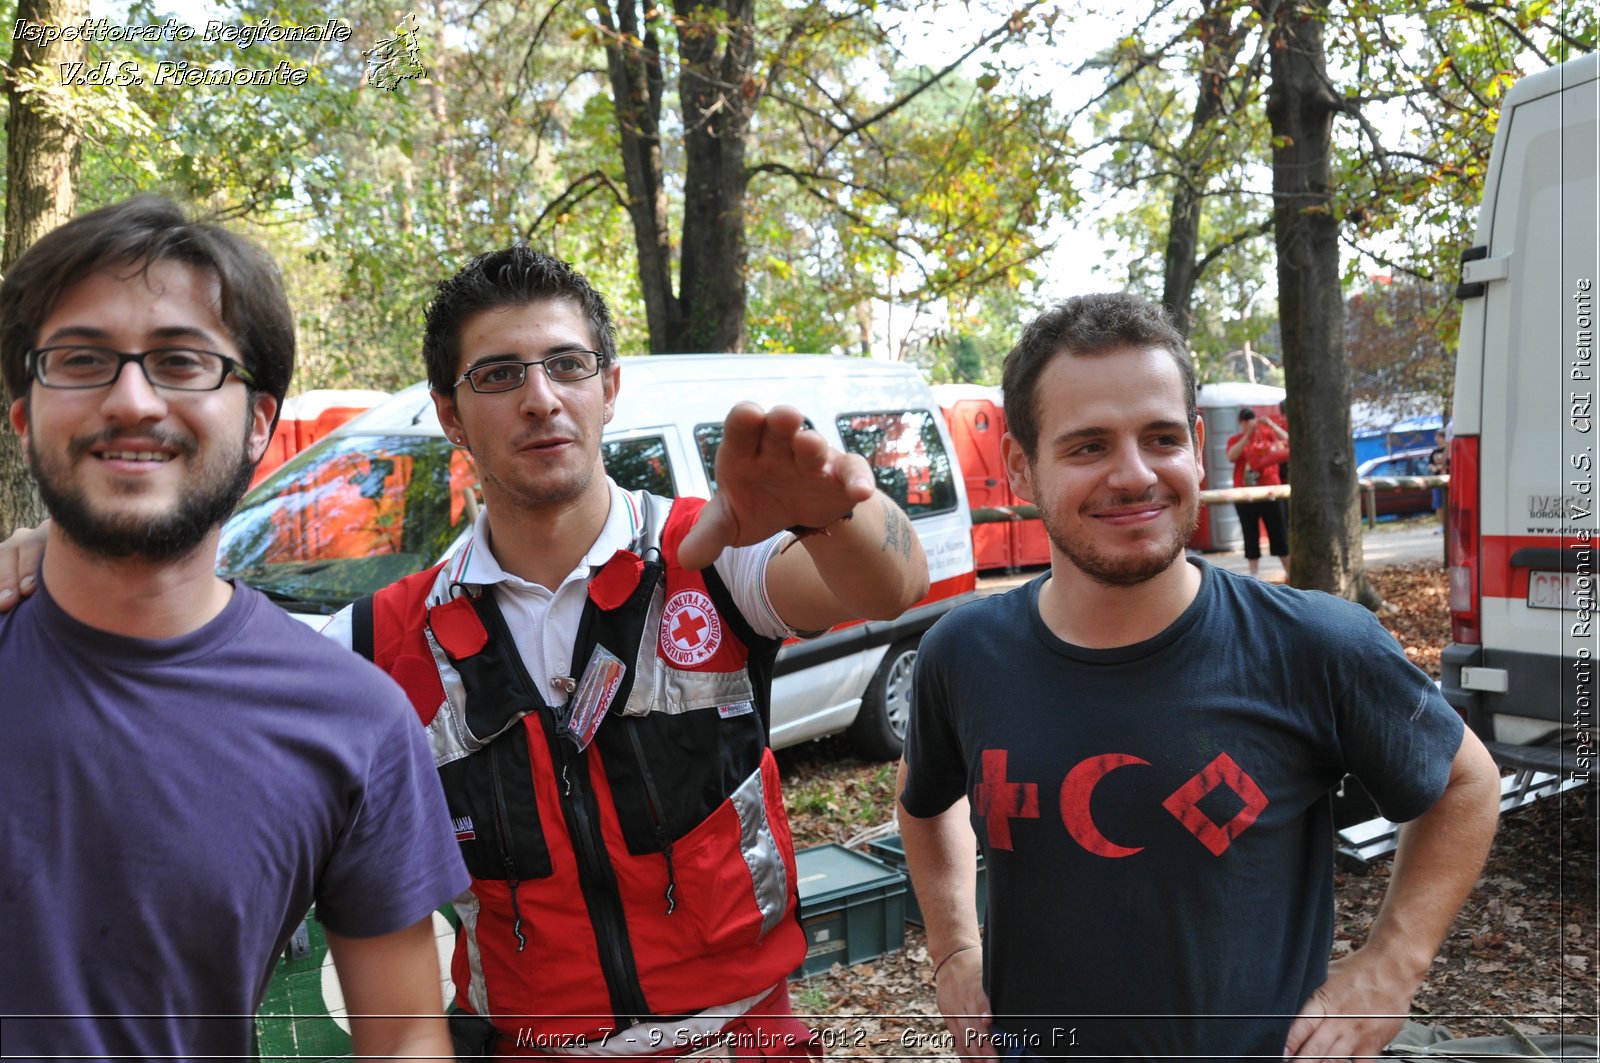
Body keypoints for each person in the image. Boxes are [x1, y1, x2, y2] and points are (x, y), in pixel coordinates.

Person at [896, 292, 1501, 1062]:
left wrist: (1391, 966)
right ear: (1021, 467)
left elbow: (1466, 782)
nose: (1135, 474)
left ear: (1194, 443)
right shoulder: (963, 652)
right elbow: (924, 796)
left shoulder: (1313, 645)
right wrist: (954, 951)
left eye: (1161, 437)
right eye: (1088, 447)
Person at [0, 196, 468, 1060]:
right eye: (82, 359)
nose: (132, 399)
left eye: (182, 361)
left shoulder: (354, 721)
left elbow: (404, 1034)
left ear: (259, 423)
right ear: (26, 418)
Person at [1225, 406, 1291, 580]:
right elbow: (1231, 456)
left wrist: (1271, 426)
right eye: (1245, 421)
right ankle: (1253, 575)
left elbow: (1290, 444)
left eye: (1251, 420)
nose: (1249, 424)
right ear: (1240, 423)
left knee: (1279, 532)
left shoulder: (1268, 435)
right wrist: (1247, 436)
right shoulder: (1235, 439)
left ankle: (1289, 572)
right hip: (1245, 495)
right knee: (1250, 534)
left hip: (1271, 492)